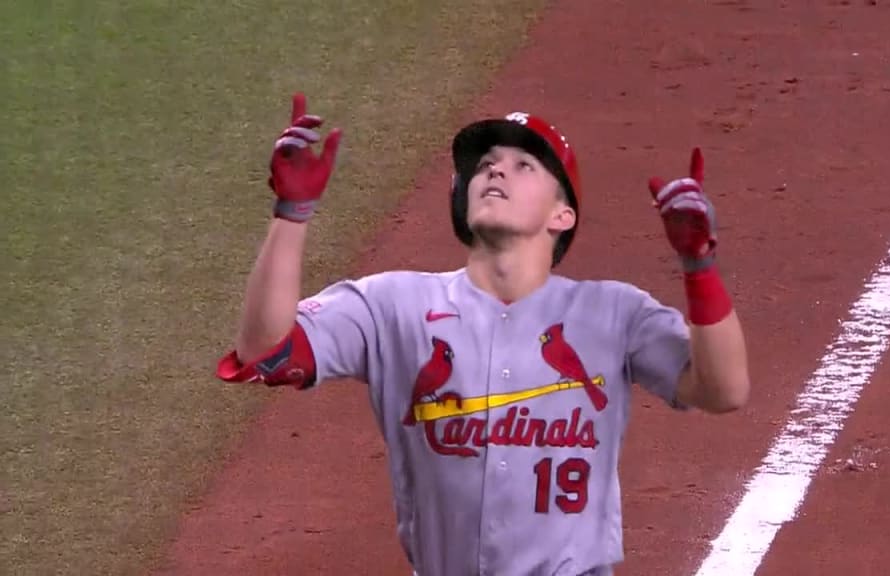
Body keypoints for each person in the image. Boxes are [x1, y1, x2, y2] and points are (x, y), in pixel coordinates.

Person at [216, 92, 750, 576]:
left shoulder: (614, 312)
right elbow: (266, 349)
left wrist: (699, 266)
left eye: (524, 165)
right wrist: (292, 214)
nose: (496, 171)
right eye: (486, 165)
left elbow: (724, 390)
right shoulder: (393, 305)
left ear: (562, 214)